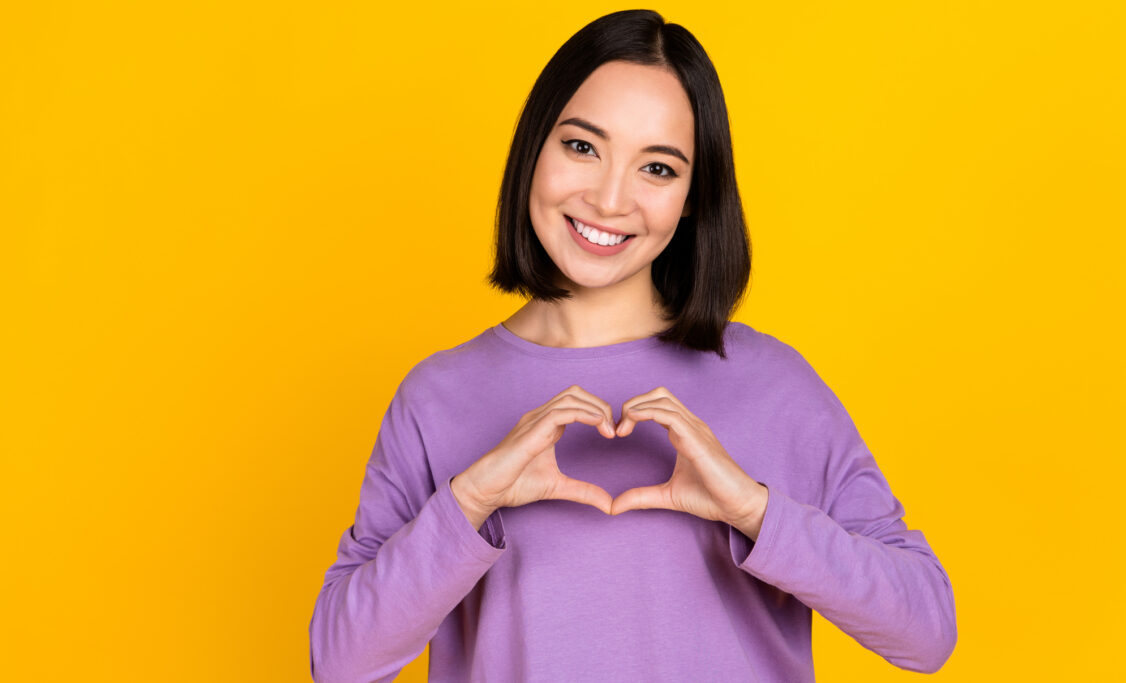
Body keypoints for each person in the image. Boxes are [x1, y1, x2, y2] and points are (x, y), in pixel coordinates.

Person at [308, 9, 956, 682]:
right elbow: (342, 660)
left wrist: (753, 510)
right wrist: (469, 501)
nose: (610, 199)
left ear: (692, 199)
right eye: (583, 147)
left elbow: (926, 631)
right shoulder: (436, 398)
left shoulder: (774, 384)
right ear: (535, 147)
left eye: (657, 167)